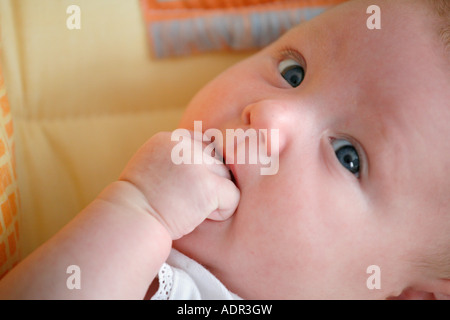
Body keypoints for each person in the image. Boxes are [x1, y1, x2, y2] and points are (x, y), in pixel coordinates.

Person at [0, 0, 449, 299]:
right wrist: (140, 212)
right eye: (294, 72)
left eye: (348, 156)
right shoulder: (160, 277)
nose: (270, 114)